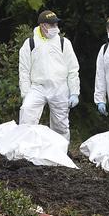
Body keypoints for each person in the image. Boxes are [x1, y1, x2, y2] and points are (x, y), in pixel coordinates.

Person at [18, 10, 80, 141]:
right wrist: (25, 93)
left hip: (59, 87)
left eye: (56, 25)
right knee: (27, 113)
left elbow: (73, 69)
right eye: (51, 25)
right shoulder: (30, 43)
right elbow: (24, 71)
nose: (55, 28)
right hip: (37, 87)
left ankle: (61, 153)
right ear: (42, 25)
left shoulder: (64, 43)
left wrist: (74, 92)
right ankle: (25, 151)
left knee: (60, 125)